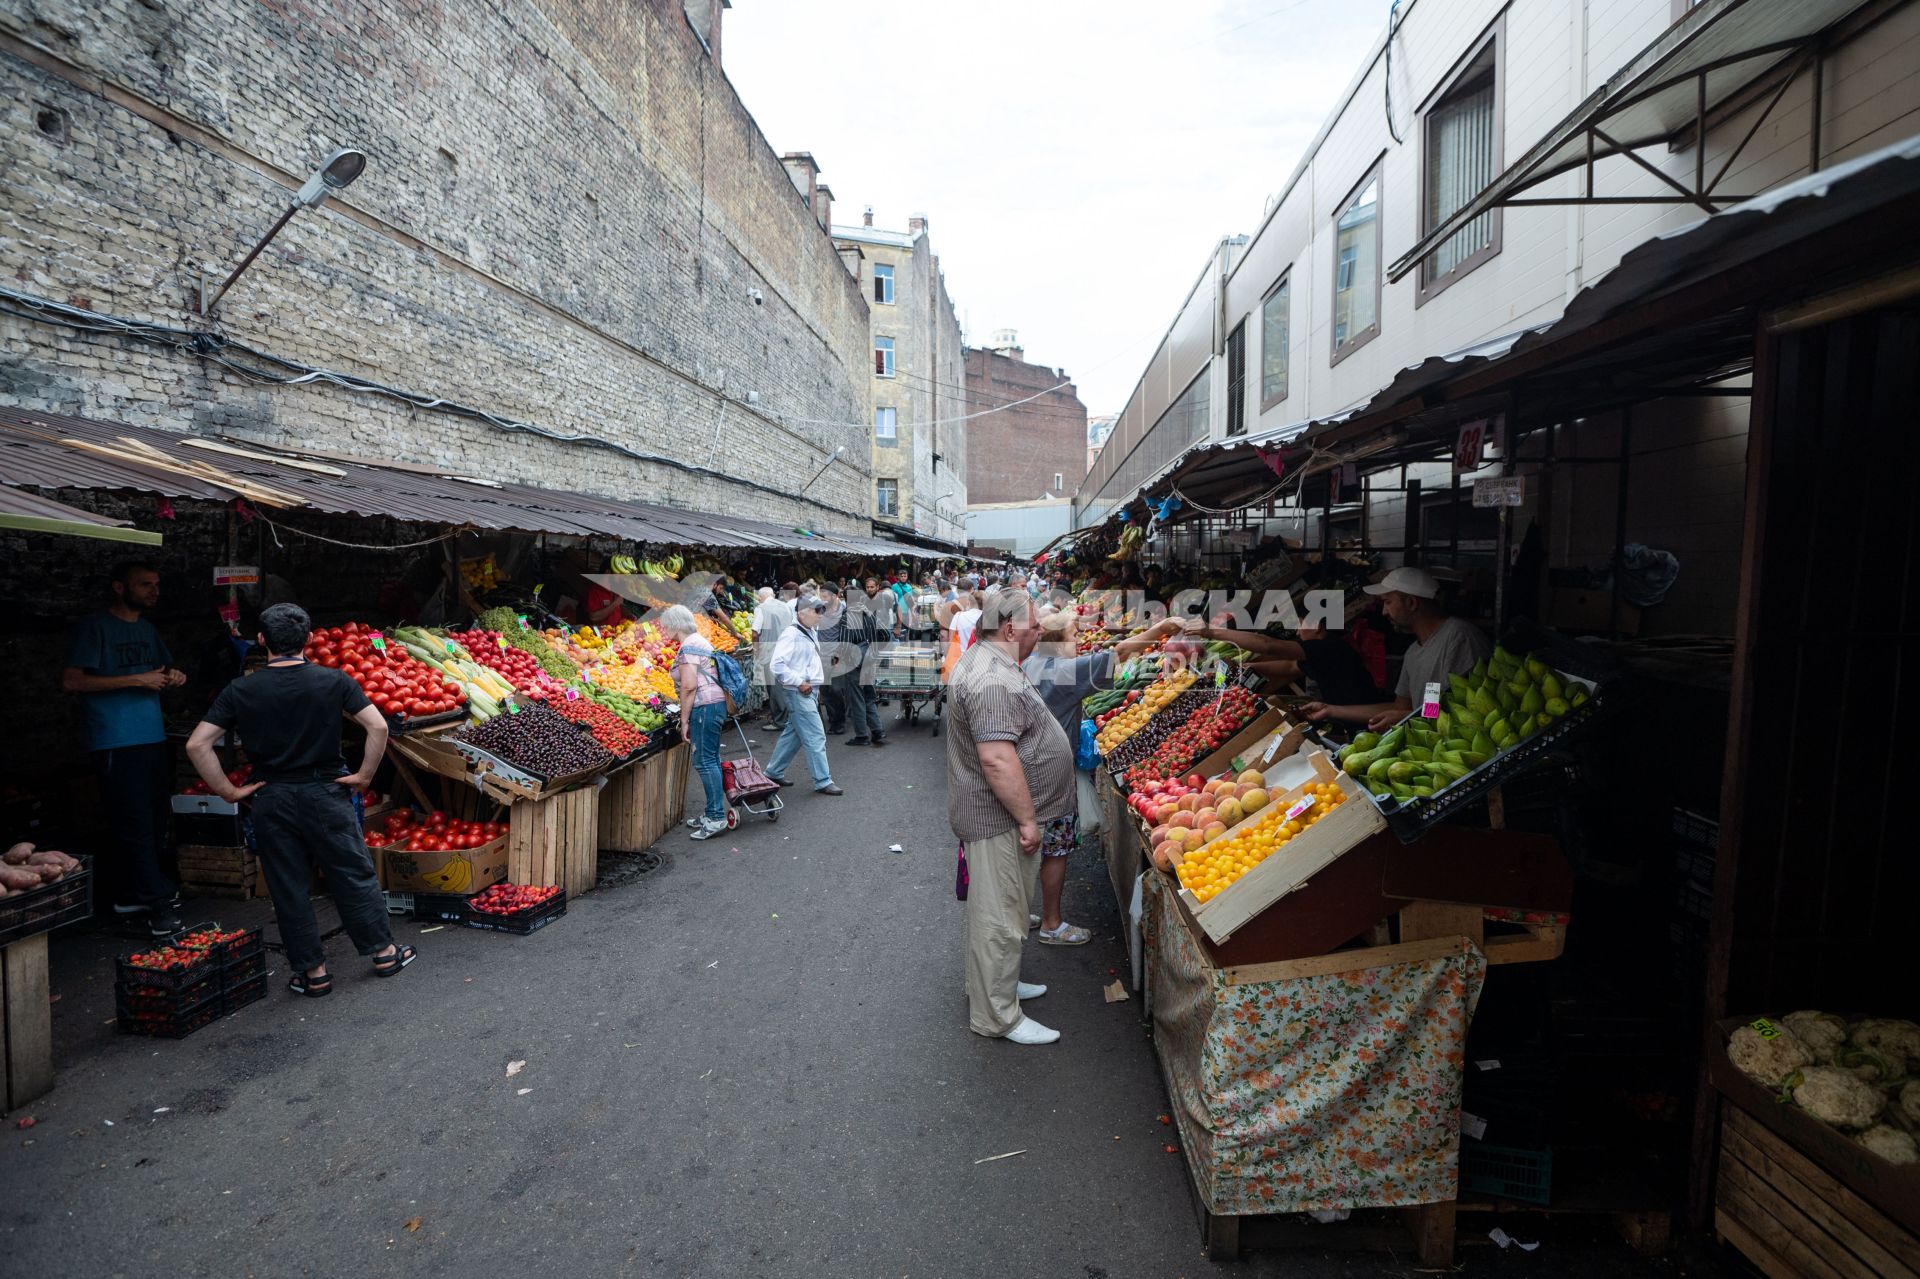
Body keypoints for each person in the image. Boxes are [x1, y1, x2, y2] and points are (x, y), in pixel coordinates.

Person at [185, 603, 413, 997]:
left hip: (272, 796)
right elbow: (377, 726)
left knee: (288, 886)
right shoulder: (334, 681)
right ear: (309, 640)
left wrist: (229, 792)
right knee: (351, 873)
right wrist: (363, 776)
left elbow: (197, 744)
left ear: (261, 641)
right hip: (326, 793)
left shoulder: (241, 688)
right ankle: (385, 953)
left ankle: (314, 974)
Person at [947, 591, 1076, 1046]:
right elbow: (998, 760)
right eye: (1035, 625)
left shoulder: (990, 662)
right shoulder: (992, 678)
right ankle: (999, 1016)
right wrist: (1026, 819)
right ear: (1008, 629)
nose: (1041, 632)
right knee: (999, 917)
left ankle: (995, 986)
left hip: (1000, 815)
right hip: (999, 818)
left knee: (999, 911)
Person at [1022, 610, 1184, 944]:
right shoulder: (1065, 672)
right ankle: (1052, 924)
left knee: (1025, 844)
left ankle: (1018, 912)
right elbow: (1120, 653)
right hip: (1051, 775)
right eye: (1072, 635)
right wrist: (1162, 628)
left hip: (1023, 767)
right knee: (1055, 849)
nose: (1078, 641)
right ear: (1058, 641)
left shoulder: (1030, 663)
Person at [63, 562, 187, 934]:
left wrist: (175, 675)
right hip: (115, 739)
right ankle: (155, 903)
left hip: (152, 737)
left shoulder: (148, 629)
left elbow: (162, 670)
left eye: (157, 584)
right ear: (119, 587)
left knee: (154, 820)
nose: (154, 591)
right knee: (132, 822)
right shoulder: (95, 627)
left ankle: (134, 893)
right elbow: (72, 681)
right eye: (145, 584)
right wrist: (136, 678)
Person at [1300, 567, 1491, 730]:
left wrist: (1408, 719)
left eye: (1388, 602)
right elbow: (1401, 709)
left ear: (1411, 603)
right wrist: (1330, 709)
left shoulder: (1458, 637)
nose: (1383, 612)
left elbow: (1461, 707)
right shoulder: (1413, 653)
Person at [1181, 615, 1385, 705]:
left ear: (1316, 626)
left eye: (1301, 624)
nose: (1297, 630)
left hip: (1363, 715)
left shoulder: (1328, 647)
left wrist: (1211, 631)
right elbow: (1290, 667)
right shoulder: (1328, 650)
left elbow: (1267, 645)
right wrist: (1246, 666)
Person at [662, 605, 733, 840]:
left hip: (705, 706)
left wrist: (684, 720)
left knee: (704, 761)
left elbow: (689, 686)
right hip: (713, 704)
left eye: (665, 625)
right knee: (710, 759)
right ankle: (711, 812)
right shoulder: (697, 641)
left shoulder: (689, 647)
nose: (663, 630)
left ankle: (716, 817)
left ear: (674, 624)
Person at [764, 597, 842, 796]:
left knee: (794, 734)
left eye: (821, 611)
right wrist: (800, 682)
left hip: (806, 691)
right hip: (799, 692)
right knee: (816, 736)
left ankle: (773, 772)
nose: (819, 616)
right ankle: (823, 780)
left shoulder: (809, 631)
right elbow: (777, 665)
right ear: (801, 613)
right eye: (816, 611)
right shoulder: (791, 634)